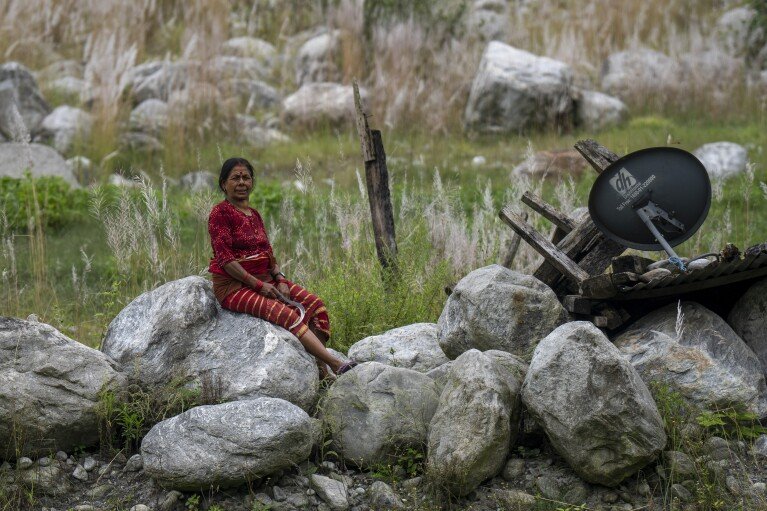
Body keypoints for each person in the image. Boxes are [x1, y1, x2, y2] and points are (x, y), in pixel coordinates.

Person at [208, 157, 356, 379]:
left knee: (315, 306)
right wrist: (258, 285)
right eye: (235, 178)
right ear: (223, 184)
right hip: (234, 286)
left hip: (266, 279)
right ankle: (335, 363)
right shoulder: (220, 214)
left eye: (246, 177)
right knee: (287, 315)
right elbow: (225, 260)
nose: (241, 182)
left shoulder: (254, 215)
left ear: (252, 182)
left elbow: (268, 252)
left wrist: (281, 280)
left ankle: (320, 371)